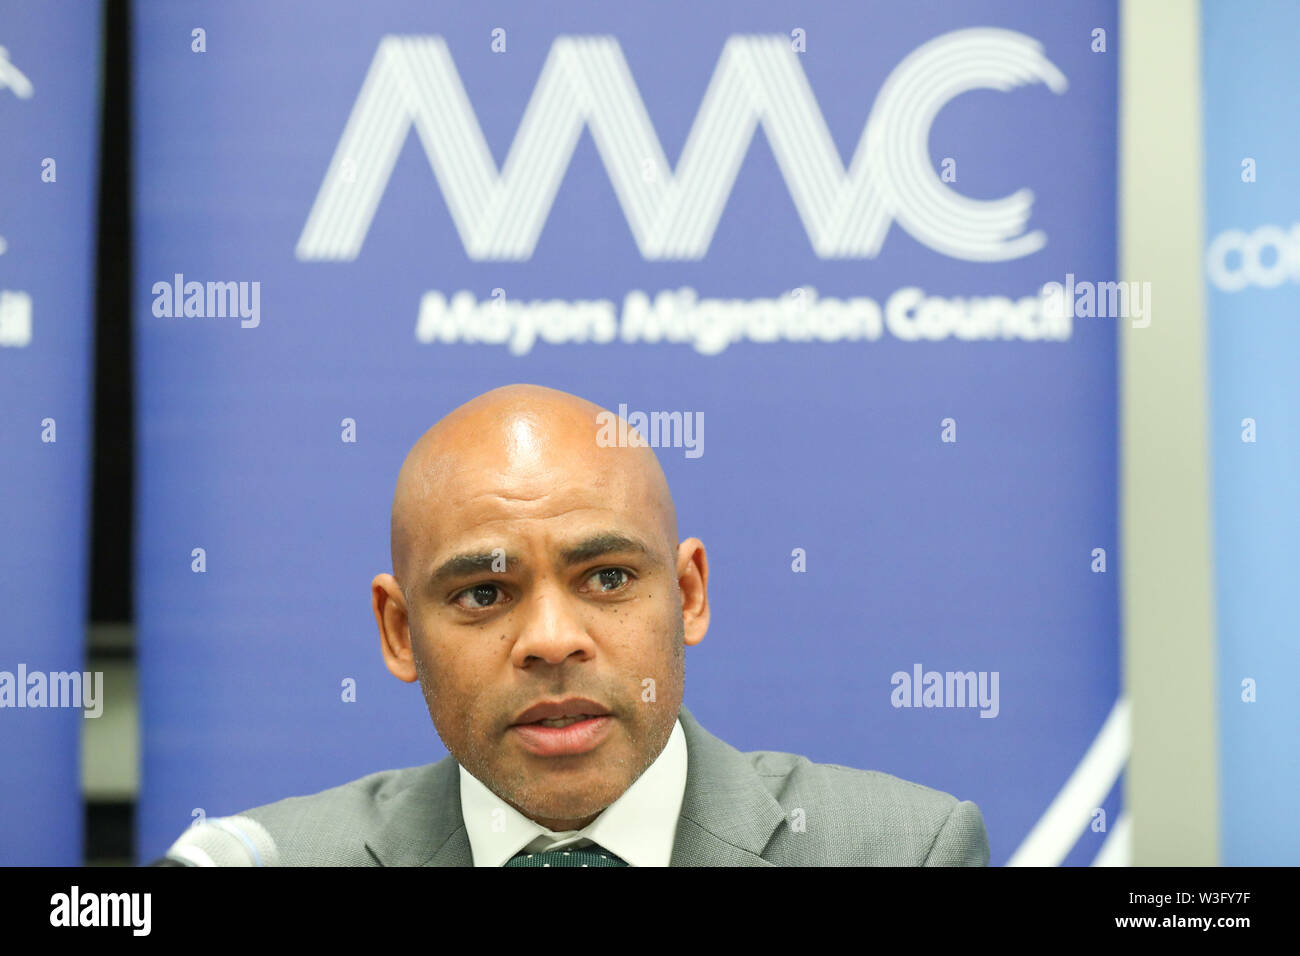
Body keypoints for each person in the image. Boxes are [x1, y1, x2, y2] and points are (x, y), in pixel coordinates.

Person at [216, 384, 989, 866]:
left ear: (687, 594)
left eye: (609, 578)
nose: (552, 639)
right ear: (397, 631)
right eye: (484, 594)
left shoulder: (902, 848)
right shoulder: (267, 860)